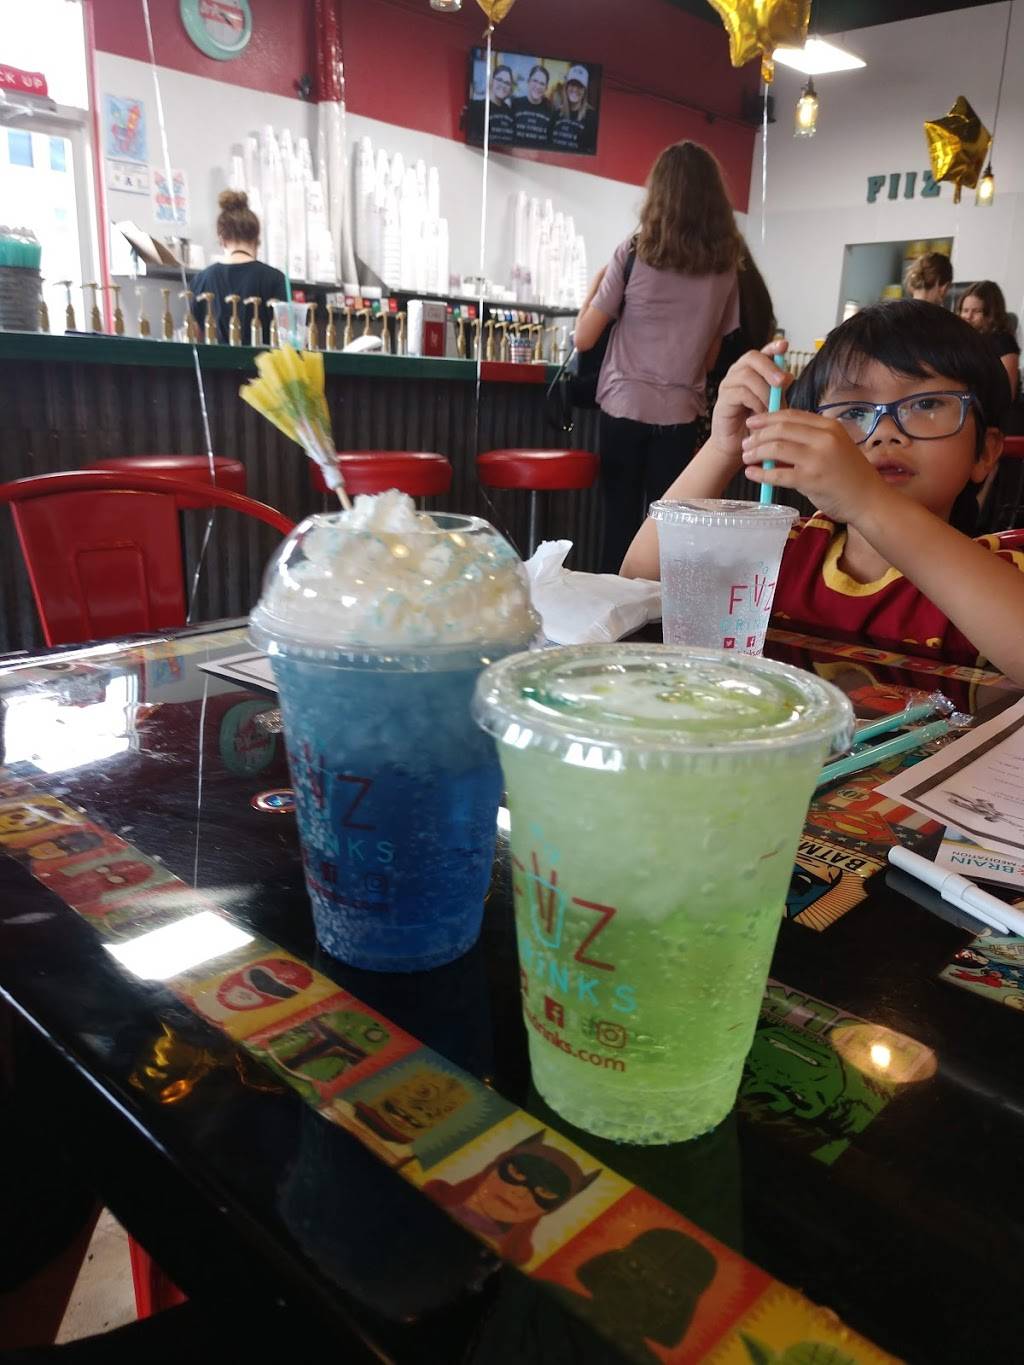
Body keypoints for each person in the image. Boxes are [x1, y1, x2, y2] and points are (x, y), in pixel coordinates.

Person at [621, 301, 1024, 683]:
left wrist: (869, 500)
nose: (885, 432)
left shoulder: (1005, 569)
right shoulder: (783, 548)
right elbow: (638, 583)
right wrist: (724, 447)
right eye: (854, 412)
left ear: (986, 452)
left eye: (927, 404)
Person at [575, 140, 741, 572]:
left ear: (658, 194)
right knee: (669, 534)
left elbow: (584, 339)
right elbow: (710, 359)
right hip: (680, 414)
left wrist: (593, 289)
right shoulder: (724, 269)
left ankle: (614, 609)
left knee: (619, 524)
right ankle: (662, 612)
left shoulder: (633, 252)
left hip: (624, 404)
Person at [190, 190, 287, 345]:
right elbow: (287, 338)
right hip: (264, 361)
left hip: (212, 361)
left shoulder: (201, 280)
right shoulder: (275, 279)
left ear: (221, 239)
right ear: (256, 238)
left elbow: (194, 337)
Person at [958, 280, 1020, 400]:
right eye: (965, 310)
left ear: (992, 314)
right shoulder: (963, 339)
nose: (968, 316)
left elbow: (1007, 394)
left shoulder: (1004, 343)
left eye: (977, 311)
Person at [550, 65, 597, 154]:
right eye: (572, 84)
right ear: (566, 87)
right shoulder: (556, 114)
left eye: (580, 86)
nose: (575, 89)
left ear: (585, 91)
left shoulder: (592, 117)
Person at [468, 63, 515, 146]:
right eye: (499, 80)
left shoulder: (510, 112)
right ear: (492, 80)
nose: (503, 85)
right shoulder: (476, 107)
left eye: (507, 83)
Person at [512, 64, 552, 146]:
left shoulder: (551, 110)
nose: (538, 86)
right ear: (528, 81)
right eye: (535, 81)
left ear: (546, 88)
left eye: (542, 83)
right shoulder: (515, 104)